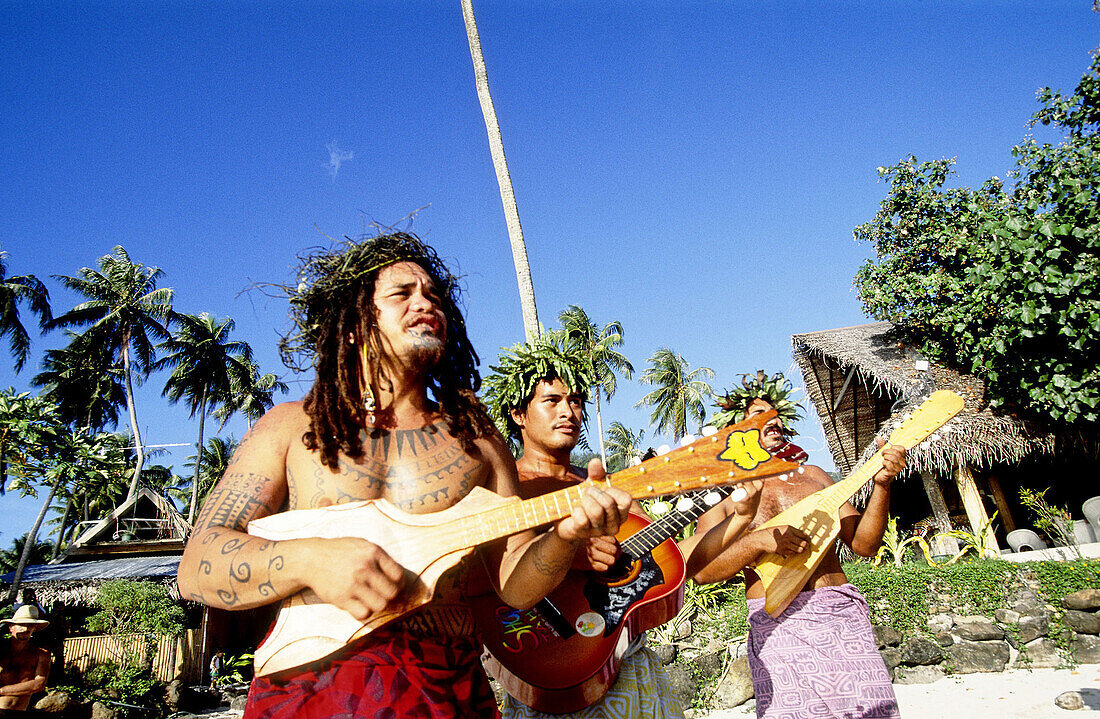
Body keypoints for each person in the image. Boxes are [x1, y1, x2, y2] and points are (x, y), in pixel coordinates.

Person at [176, 232, 632, 718]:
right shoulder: (292, 427)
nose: (425, 302)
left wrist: (565, 536)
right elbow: (197, 565)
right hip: (312, 686)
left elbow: (514, 583)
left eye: (433, 295)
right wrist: (310, 561)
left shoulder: (476, 436)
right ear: (354, 325)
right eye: (402, 293)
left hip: (447, 688)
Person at [481, 338, 764, 719]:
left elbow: (672, 563)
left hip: (631, 677)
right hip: (549, 669)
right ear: (518, 413)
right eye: (552, 400)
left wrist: (741, 518)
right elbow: (482, 581)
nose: (569, 411)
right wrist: (568, 553)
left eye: (576, 400)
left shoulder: (613, 488)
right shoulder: (505, 489)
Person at [691, 384, 907, 719]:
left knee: (873, 711)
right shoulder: (723, 493)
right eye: (758, 415)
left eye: (774, 414)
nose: (771, 421)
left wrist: (881, 486)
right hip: (775, 620)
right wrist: (758, 541)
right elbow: (703, 572)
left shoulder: (815, 476)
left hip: (839, 613)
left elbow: (864, 545)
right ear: (735, 433)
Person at [0, 605, 51, 714]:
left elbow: (39, 684)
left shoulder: (41, 654)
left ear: (35, 628)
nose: (26, 629)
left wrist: (1, 690)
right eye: (21, 625)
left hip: (19, 711)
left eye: (30, 625)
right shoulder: (1, 650)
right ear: (11, 627)